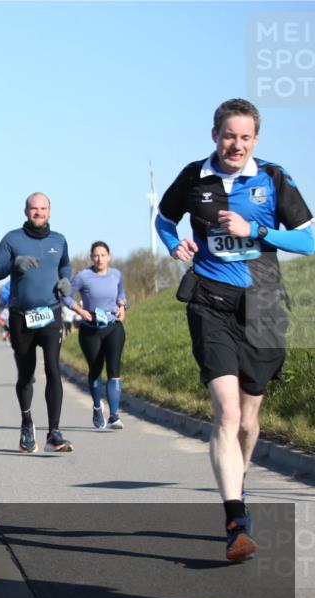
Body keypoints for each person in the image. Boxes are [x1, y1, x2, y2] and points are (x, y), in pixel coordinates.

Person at [155, 99, 314, 562]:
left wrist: (256, 231)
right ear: (214, 135)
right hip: (210, 300)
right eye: (229, 135)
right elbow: (164, 219)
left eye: (245, 137)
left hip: (264, 302)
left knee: (247, 421)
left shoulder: (274, 178)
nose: (236, 145)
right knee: (225, 413)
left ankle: (237, 485)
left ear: (256, 140)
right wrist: (174, 243)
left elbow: (306, 239)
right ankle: (236, 520)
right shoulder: (193, 178)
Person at [0, 192, 73, 453]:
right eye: (34, 208)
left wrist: (66, 280)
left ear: (50, 211)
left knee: (53, 369)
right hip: (21, 316)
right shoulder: (12, 239)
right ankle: (27, 424)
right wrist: (14, 263)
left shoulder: (59, 240)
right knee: (26, 375)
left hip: (50, 313)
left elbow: (65, 266)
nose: (39, 212)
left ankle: (54, 433)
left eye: (43, 208)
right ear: (26, 211)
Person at [63, 241, 128, 430]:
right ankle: (98, 406)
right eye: (96, 255)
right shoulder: (83, 276)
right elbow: (65, 296)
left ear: (109, 256)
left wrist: (122, 307)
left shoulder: (117, 275)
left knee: (114, 370)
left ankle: (114, 416)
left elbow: (121, 294)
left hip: (113, 326)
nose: (99, 258)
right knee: (95, 369)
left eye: (103, 255)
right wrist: (80, 311)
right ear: (91, 257)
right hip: (90, 330)